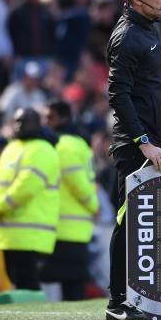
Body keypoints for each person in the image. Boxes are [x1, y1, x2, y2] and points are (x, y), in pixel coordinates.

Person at [105, 0, 161, 320]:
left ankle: (139, 297)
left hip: (154, 140)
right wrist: (143, 142)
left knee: (147, 223)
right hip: (136, 147)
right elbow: (117, 94)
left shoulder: (148, 29)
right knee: (129, 221)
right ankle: (117, 303)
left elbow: (145, 84)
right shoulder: (128, 36)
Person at [0, 108, 60, 290]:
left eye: (24, 121)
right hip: (9, 232)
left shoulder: (43, 149)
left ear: (37, 124)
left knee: (27, 282)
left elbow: (25, 187)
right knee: (17, 280)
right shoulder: (11, 148)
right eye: (16, 121)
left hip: (30, 233)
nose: (18, 125)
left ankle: (37, 319)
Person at [40, 100, 99, 301]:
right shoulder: (80, 143)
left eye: (50, 117)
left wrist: (94, 205)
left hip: (66, 225)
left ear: (63, 118)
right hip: (79, 224)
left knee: (69, 282)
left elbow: (76, 182)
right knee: (73, 282)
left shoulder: (63, 145)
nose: (46, 122)